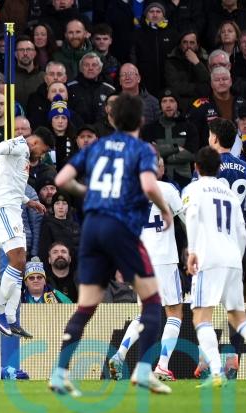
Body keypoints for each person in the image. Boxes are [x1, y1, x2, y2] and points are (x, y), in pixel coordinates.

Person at [49, 93, 173, 396]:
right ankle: (143, 371)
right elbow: (148, 185)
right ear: (141, 120)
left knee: (86, 307)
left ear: (112, 119)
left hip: (92, 228)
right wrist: (165, 209)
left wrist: (89, 192)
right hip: (121, 227)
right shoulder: (141, 149)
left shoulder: (98, 146)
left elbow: (62, 179)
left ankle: (59, 373)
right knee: (152, 301)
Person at [183, 146, 246, 388]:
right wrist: (236, 259)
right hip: (232, 259)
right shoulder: (229, 193)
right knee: (240, 320)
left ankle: (217, 372)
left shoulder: (194, 188)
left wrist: (193, 250)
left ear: (196, 167)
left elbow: (192, 216)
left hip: (209, 258)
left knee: (201, 318)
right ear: (219, 168)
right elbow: (242, 231)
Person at [108, 155, 185, 382]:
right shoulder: (167, 189)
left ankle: (120, 354)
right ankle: (162, 366)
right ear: (157, 168)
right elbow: (186, 217)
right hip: (164, 259)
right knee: (174, 311)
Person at [0, 127, 53, 338]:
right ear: (36, 143)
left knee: (21, 263)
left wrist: (28, 201)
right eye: (44, 150)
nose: (42, 155)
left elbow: (9, 181)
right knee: (16, 261)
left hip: (13, 208)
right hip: (3, 209)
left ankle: (11, 317)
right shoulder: (20, 144)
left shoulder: (21, 156)